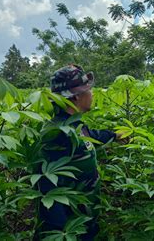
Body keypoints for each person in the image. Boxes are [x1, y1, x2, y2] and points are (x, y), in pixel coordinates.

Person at [35, 64, 121, 240]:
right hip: (68, 227)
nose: (92, 93)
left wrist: (114, 135)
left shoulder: (73, 125)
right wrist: (62, 234)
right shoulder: (57, 134)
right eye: (88, 90)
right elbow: (48, 189)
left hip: (83, 221)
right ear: (75, 97)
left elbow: (91, 137)